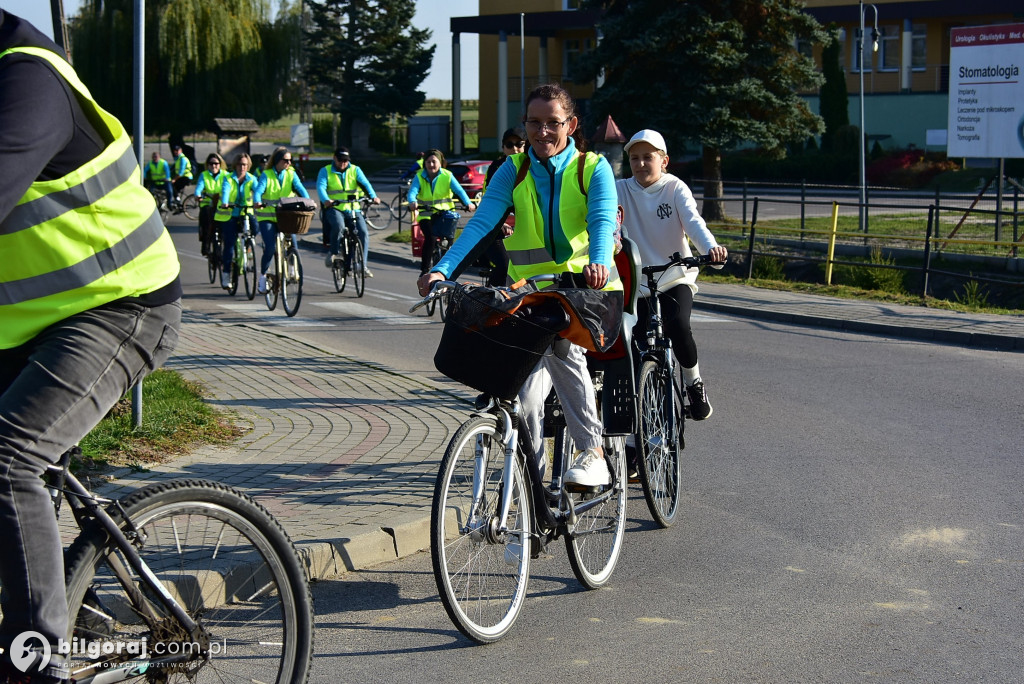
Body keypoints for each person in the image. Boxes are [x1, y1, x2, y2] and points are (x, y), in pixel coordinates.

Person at [0, 10, 182, 684]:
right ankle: (86, 610)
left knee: (11, 453)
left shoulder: (29, 83)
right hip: (37, 320)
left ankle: (35, 662)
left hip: (120, 307)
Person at [418, 83, 619, 488]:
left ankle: (591, 451)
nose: (542, 132)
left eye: (553, 123)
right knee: (521, 395)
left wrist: (598, 260)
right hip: (529, 290)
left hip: (585, 292)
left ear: (571, 124)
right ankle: (532, 485)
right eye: (534, 122)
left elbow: (601, 221)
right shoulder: (515, 168)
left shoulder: (592, 168)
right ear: (524, 124)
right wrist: (443, 269)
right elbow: (482, 221)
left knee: (563, 346)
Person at [616, 129, 728, 420]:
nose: (641, 164)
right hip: (637, 282)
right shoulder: (620, 190)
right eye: (635, 158)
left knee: (678, 324)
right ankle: (637, 431)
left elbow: (693, 222)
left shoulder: (674, 188)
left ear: (664, 160)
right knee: (633, 345)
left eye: (648, 157)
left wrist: (712, 249)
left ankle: (694, 383)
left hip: (674, 275)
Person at [406, 148, 476, 275]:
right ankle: (425, 269)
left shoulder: (447, 175)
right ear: (424, 163)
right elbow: (412, 192)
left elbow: (459, 191)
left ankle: (448, 270)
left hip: (445, 214)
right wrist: (412, 202)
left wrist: (468, 203)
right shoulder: (419, 176)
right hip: (426, 215)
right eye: (428, 162)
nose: (431, 165)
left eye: (434, 161)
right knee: (431, 238)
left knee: (448, 242)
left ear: (440, 162)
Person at [316, 147, 380, 277]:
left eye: (345, 160)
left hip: (353, 208)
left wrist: (373, 197)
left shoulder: (355, 170)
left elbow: (366, 184)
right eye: (340, 160)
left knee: (363, 232)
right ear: (334, 158)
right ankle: (333, 252)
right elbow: (321, 187)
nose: (343, 163)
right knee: (338, 226)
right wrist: (326, 200)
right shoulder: (326, 171)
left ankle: (362, 266)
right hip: (335, 208)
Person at [254, 147, 309, 294]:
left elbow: (300, 188)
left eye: (291, 160)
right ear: (278, 161)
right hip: (267, 216)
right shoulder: (266, 174)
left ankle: (292, 269)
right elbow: (259, 190)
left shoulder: (291, 174)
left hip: (285, 215)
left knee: (293, 243)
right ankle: (263, 277)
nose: (289, 163)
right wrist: (257, 201)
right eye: (286, 160)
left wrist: (308, 201)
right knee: (270, 247)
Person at [477, 127, 526, 286]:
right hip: (496, 228)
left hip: (523, 229)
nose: (515, 149)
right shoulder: (496, 168)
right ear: (503, 148)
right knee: (504, 265)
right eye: (509, 145)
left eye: (519, 144)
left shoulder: (533, 167)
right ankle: (489, 300)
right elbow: (488, 201)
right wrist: (501, 224)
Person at [216, 153, 259, 289]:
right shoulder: (228, 178)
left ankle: (248, 249)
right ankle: (226, 274)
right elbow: (226, 191)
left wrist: (259, 201)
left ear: (248, 166)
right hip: (230, 214)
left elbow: (258, 191)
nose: (242, 167)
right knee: (229, 244)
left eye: (245, 164)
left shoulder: (252, 179)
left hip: (246, 212)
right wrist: (224, 202)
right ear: (235, 165)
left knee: (256, 228)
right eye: (240, 164)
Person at [194, 153, 228, 255]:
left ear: (220, 164)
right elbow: (199, 188)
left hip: (221, 205)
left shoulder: (226, 175)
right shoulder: (204, 175)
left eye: (216, 163)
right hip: (207, 204)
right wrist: (198, 195)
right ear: (208, 165)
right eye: (211, 163)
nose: (214, 166)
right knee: (207, 219)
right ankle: (206, 244)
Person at [170, 142, 193, 208]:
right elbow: (172, 168)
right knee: (175, 188)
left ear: (181, 151)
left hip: (186, 177)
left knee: (172, 185)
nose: (176, 152)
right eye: (175, 151)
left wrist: (174, 179)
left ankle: (177, 200)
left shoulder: (183, 159)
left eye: (177, 150)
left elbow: (181, 172)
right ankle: (178, 204)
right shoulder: (178, 159)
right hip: (182, 177)